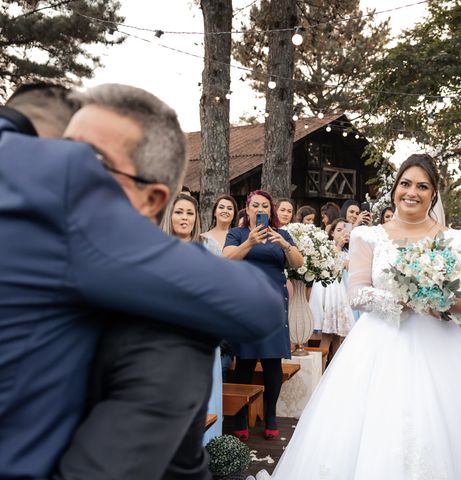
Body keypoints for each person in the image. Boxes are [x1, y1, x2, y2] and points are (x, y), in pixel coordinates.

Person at [0, 83, 284, 479]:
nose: (52, 163)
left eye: (86, 159)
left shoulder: (171, 328)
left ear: (152, 199)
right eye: (58, 147)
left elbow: (258, 303)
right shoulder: (25, 240)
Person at [269, 154, 461, 479]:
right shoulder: (369, 237)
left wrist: (451, 305)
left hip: (440, 348)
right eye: (406, 183)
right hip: (379, 345)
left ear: (434, 193)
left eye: (422, 186)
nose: (412, 192)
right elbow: (357, 291)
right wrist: (403, 299)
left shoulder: (458, 240)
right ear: (396, 188)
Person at [223, 190, 304, 440]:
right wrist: (250, 242)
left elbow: (298, 263)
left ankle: (270, 414)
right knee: (245, 360)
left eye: (265, 206)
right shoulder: (237, 234)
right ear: (247, 210)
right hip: (246, 302)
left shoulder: (282, 234)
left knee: (272, 361)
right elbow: (226, 257)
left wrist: (284, 245)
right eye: (255, 205)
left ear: (271, 211)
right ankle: (240, 416)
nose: (260, 209)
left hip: (274, 303)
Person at [199, 194, 239, 439]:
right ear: (214, 212)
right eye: (221, 207)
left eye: (229, 208)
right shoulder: (202, 239)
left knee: (230, 360)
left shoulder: (237, 238)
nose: (225, 211)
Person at [311, 218, 355, 361]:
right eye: (339, 230)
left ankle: (334, 372)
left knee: (338, 338)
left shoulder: (348, 251)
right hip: (328, 293)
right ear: (331, 233)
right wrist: (339, 245)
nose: (343, 233)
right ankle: (320, 372)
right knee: (327, 336)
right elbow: (329, 267)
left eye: (345, 229)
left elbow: (350, 268)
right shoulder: (326, 247)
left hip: (340, 293)